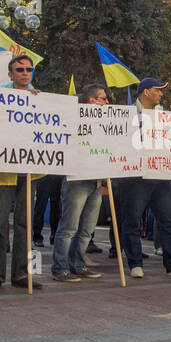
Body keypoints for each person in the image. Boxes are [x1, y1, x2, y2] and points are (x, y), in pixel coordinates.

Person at [121, 77, 171, 279]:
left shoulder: (165, 116)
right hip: (135, 176)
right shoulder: (126, 115)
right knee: (132, 220)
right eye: (158, 90)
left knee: (168, 220)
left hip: (160, 175)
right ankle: (135, 263)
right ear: (146, 92)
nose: (161, 93)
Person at [0, 55, 42, 291]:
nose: (25, 73)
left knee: (25, 225)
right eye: (19, 69)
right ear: (10, 74)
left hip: (30, 172)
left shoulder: (41, 99)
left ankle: (23, 274)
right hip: (3, 171)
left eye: (29, 69)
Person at [52, 82, 109, 283]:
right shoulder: (73, 118)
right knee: (69, 227)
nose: (107, 102)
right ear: (92, 100)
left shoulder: (107, 123)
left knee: (87, 228)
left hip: (96, 180)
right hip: (76, 180)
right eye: (103, 98)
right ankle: (60, 267)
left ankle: (77, 263)